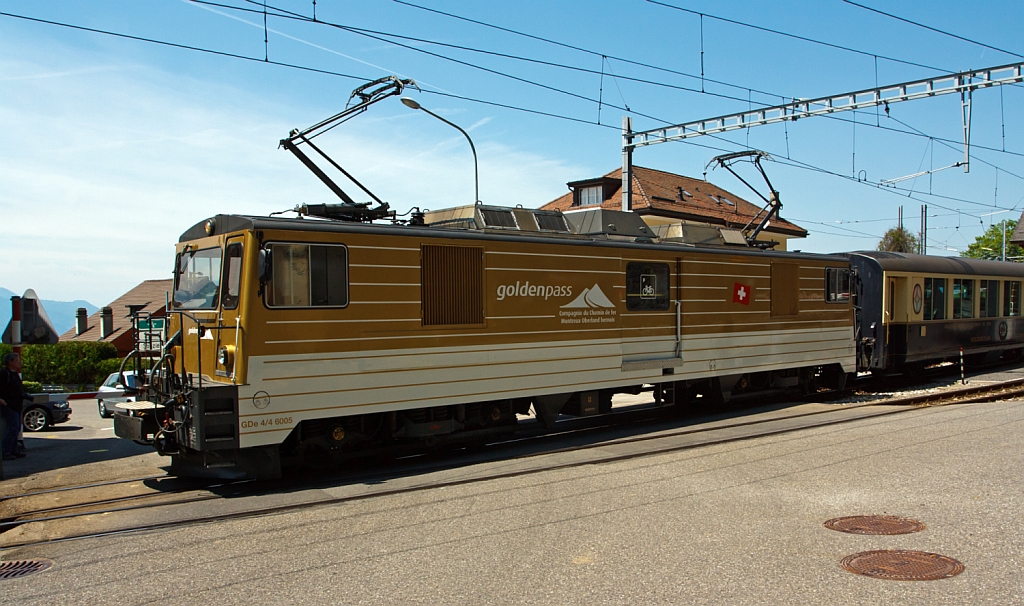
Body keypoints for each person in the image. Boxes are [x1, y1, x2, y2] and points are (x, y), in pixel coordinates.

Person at [0, 352, 29, 460]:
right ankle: (5, 450)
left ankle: (13, 450)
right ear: (10, 362)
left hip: (17, 404)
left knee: (16, 428)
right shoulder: (4, 373)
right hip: (9, 405)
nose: (19, 362)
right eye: (17, 360)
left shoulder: (15, 373)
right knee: (13, 427)